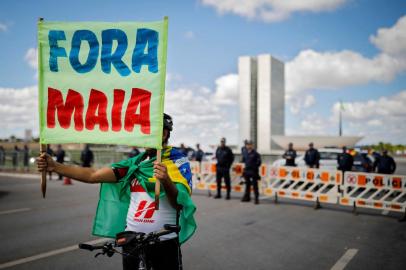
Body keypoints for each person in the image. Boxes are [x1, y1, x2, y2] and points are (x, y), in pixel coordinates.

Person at [37, 113, 196, 270]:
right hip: (131, 242)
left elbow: (178, 204)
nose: (145, 135)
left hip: (164, 242)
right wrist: (55, 166)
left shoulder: (177, 162)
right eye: (144, 130)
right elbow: (93, 175)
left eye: (150, 131)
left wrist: (166, 180)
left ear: (164, 134)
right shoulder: (135, 163)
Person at [241, 140, 261, 204]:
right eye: (247, 145)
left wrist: (254, 167)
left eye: (250, 144)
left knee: (255, 185)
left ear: (252, 145)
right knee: (247, 185)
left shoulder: (256, 153)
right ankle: (247, 197)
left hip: (253, 171)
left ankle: (256, 199)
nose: (248, 146)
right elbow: (244, 161)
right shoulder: (245, 152)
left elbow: (259, 162)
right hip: (247, 171)